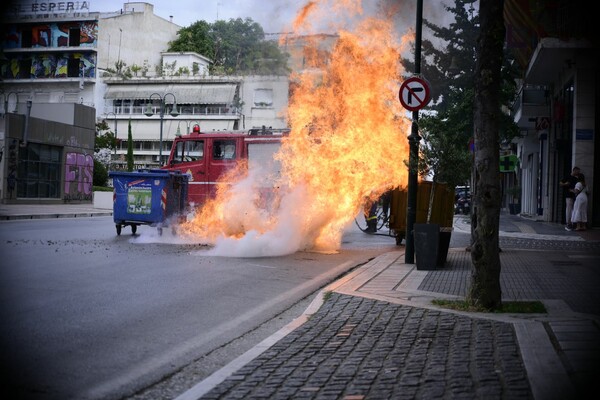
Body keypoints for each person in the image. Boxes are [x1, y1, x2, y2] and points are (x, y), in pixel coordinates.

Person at [559, 166, 581, 231]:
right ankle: (568, 223)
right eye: (577, 171)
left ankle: (573, 222)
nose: (578, 173)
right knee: (569, 209)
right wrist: (565, 184)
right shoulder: (567, 176)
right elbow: (560, 183)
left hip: (575, 196)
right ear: (574, 170)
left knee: (573, 209)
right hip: (568, 195)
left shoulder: (576, 179)